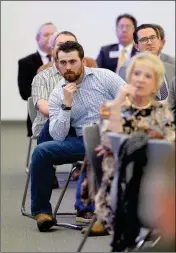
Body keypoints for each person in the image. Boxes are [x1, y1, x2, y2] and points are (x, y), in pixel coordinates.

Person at [30, 41, 126, 232]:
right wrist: (66, 105)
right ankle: (42, 212)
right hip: (82, 140)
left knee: (100, 147)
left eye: (72, 61)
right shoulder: (58, 93)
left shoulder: (104, 77)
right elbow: (57, 135)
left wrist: (114, 111)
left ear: (82, 61)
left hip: (112, 135)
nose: (68, 67)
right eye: (63, 63)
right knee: (41, 151)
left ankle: (98, 210)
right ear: (57, 65)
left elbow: (129, 98)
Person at [84, 52, 175, 236]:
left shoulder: (162, 111)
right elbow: (112, 143)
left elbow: (169, 145)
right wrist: (118, 102)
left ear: (155, 84)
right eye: (136, 73)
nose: (140, 79)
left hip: (157, 177)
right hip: (121, 181)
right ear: (129, 77)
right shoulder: (110, 108)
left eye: (147, 76)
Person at [18, 22, 57, 138]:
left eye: (53, 35)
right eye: (46, 35)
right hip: (39, 115)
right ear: (37, 38)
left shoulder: (65, 61)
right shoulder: (25, 62)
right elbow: (24, 93)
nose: (50, 38)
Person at [119, 24, 175, 101]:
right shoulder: (127, 68)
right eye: (144, 39)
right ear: (136, 46)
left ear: (159, 41)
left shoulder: (172, 64)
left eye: (153, 37)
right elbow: (127, 100)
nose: (149, 42)